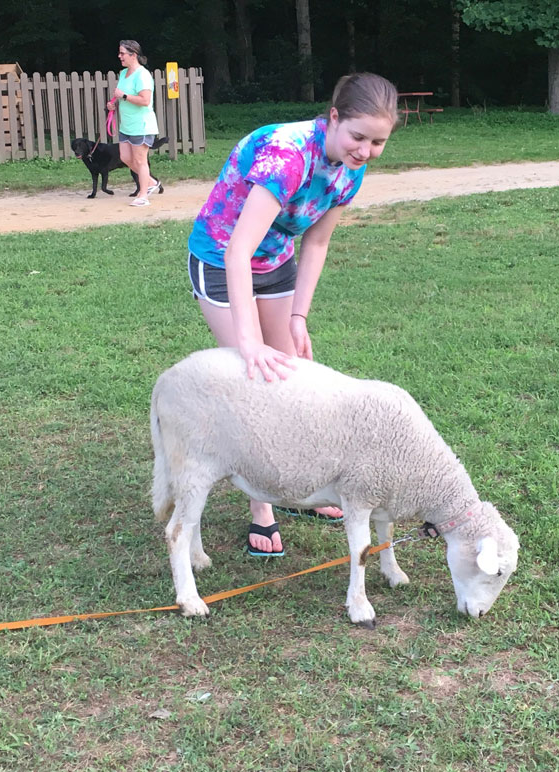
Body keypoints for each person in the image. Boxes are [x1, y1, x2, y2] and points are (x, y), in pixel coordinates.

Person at [186, 72, 398, 557]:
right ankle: (263, 507)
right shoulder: (287, 155)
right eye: (358, 136)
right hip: (221, 256)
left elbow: (317, 241)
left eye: (378, 142)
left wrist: (298, 317)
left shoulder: (350, 167)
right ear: (333, 118)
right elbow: (239, 248)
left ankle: (299, 490)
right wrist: (248, 340)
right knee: (250, 379)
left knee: (291, 380)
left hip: (275, 258)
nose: (365, 150)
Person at [105, 39, 163, 207]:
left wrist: (123, 96)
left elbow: (145, 100)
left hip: (142, 125)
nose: (119, 56)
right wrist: (113, 104)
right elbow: (121, 96)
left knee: (140, 160)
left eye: (122, 53)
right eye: (120, 53)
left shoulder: (142, 75)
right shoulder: (124, 74)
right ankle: (151, 182)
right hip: (126, 125)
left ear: (133, 55)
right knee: (125, 157)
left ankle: (143, 196)